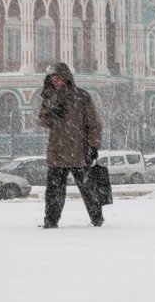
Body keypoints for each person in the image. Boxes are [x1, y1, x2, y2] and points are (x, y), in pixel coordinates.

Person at [38, 62, 103, 228]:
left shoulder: (81, 97)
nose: (56, 82)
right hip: (57, 151)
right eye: (53, 79)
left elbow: (93, 123)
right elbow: (43, 120)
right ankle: (51, 221)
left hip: (79, 150)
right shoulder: (49, 97)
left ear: (67, 78)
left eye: (59, 78)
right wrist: (50, 112)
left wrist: (93, 146)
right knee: (54, 191)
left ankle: (97, 219)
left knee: (88, 189)